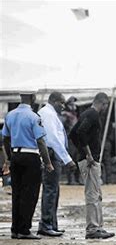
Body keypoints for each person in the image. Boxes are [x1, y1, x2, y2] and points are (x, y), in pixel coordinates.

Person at [2, 92, 54, 239]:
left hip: (16, 156)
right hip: (31, 156)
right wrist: (48, 162)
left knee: (17, 193)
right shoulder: (34, 117)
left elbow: (5, 138)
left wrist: (9, 158)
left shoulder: (10, 115)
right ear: (32, 98)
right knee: (30, 194)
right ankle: (24, 230)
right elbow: (41, 141)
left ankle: (15, 229)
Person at [69, 92, 114, 239]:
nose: (106, 108)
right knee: (93, 194)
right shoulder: (93, 115)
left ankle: (97, 227)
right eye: (106, 105)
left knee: (96, 193)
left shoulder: (86, 113)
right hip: (90, 161)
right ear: (103, 103)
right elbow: (80, 132)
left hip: (88, 159)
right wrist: (87, 154)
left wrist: (81, 150)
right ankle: (93, 228)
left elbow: (73, 133)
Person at [37, 92, 77, 237]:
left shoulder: (50, 113)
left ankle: (51, 224)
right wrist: (67, 159)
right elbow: (52, 139)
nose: (63, 106)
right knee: (50, 190)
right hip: (51, 155)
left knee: (54, 190)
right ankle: (46, 224)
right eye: (61, 103)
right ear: (53, 101)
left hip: (54, 155)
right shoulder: (47, 114)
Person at [61, 96, 81, 185]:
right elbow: (62, 128)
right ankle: (71, 179)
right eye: (71, 104)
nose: (74, 106)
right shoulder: (65, 115)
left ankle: (77, 178)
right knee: (71, 159)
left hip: (76, 140)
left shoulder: (74, 115)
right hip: (70, 140)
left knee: (77, 159)